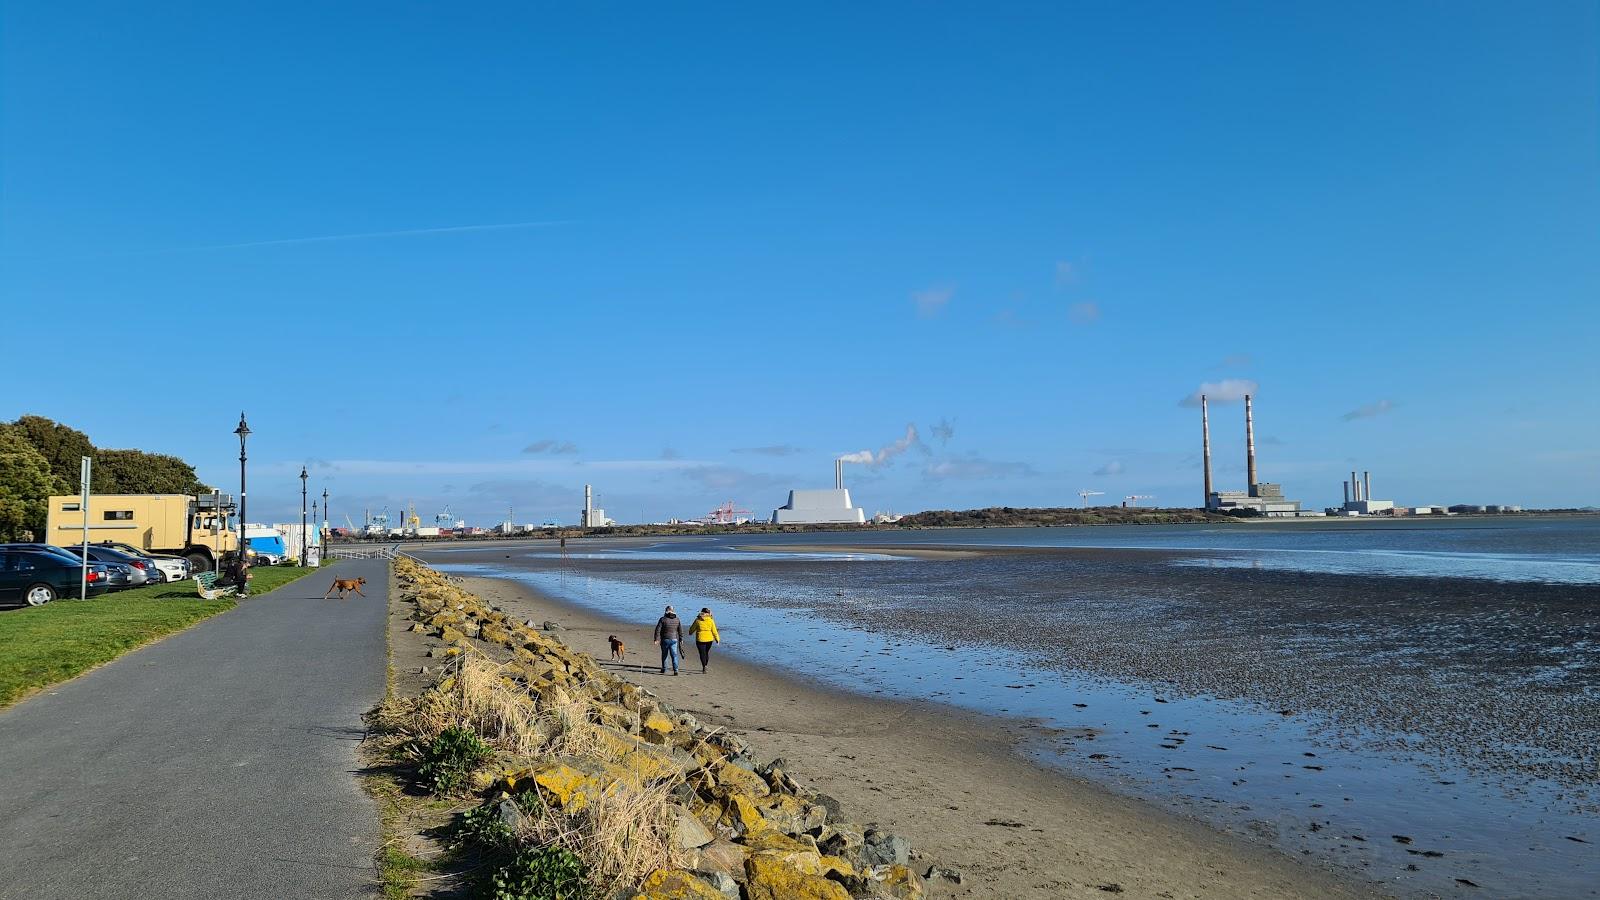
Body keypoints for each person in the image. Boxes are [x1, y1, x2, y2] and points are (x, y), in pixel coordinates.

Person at [652, 605, 683, 675]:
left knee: (664, 654)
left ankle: (664, 669)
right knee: (674, 655)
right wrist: (681, 638)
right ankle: (676, 670)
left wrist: (656, 639)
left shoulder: (663, 619)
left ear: (666, 611)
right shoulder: (677, 619)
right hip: (674, 639)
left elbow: (658, 630)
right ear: (673, 611)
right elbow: (680, 630)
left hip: (665, 639)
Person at [690, 607, 721, 674]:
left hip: (700, 639)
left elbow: (692, 629)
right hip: (709, 640)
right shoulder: (711, 620)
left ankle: (704, 666)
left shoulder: (697, 620)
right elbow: (714, 631)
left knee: (702, 653)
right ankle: (705, 665)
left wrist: (690, 632)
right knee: (706, 652)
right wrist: (717, 639)